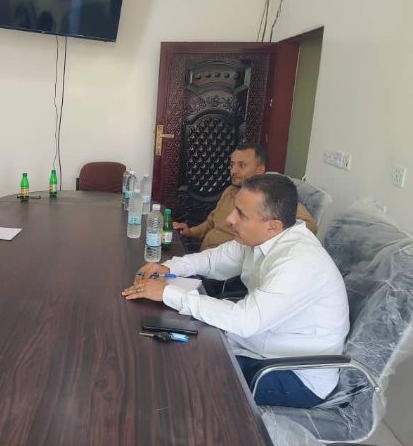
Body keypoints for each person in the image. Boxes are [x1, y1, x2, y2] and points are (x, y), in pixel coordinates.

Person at [122, 174, 349, 408]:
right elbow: (213, 260)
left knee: (187, 378)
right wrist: (168, 268)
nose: (230, 219)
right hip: (257, 345)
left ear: (273, 226)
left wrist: (167, 293)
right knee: (176, 355)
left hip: (292, 374)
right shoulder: (263, 238)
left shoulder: (299, 262)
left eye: (241, 214)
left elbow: (245, 320)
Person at [174, 143, 318, 251]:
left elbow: (309, 226)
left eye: (241, 165)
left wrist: (261, 242)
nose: (233, 171)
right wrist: (190, 231)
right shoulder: (230, 191)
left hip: (230, 270)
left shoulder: (272, 198)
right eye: (232, 165)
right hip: (205, 256)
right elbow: (211, 223)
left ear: (260, 170)